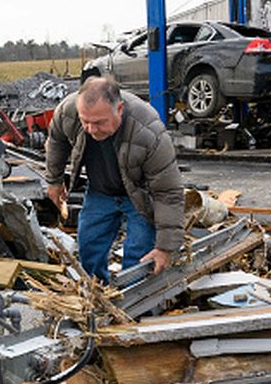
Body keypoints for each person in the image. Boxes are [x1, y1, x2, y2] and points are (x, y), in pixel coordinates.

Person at [45, 76, 183, 282]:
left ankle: (133, 297)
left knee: (138, 257)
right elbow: (56, 141)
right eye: (85, 122)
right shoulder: (68, 112)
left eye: (99, 123)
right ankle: (97, 291)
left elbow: (168, 192)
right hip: (100, 191)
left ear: (119, 109)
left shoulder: (149, 132)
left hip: (140, 194)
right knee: (89, 247)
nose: (91, 130)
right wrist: (54, 181)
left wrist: (165, 247)